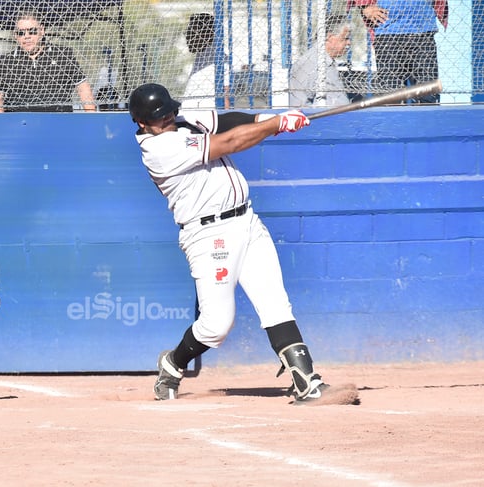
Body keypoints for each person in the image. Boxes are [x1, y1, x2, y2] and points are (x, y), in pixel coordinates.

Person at [128, 83, 359, 405]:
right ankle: (173, 363)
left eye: (169, 112)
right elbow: (230, 141)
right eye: (160, 118)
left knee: (275, 302)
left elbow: (229, 122)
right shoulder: (158, 149)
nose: (168, 119)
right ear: (142, 123)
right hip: (208, 235)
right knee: (216, 326)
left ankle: (307, 381)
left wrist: (268, 116)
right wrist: (275, 126)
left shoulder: (180, 120)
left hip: (247, 222)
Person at [0, 8, 96, 112]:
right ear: (15, 35)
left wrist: (91, 121)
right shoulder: (5, 62)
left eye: (32, 31)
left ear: (41, 31)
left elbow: (83, 88)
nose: (27, 36)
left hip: (60, 123)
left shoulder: (63, 55)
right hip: (20, 125)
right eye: (21, 33)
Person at [348, 0, 447, 103]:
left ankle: (426, 117)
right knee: (390, 95)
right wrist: (364, 8)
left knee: (428, 93)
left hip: (423, 30)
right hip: (388, 31)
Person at [289, 14, 353, 107]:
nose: (348, 43)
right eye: (345, 38)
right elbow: (300, 103)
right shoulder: (311, 62)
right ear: (330, 37)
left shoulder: (325, 60)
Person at [182, 12, 231, 109]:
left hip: (207, 108)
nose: (187, 36)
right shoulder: (202, 53)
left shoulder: (220, 57)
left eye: (191, 32)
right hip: (193, 107)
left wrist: (226, 114)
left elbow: (225, 90)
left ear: (206, 33)